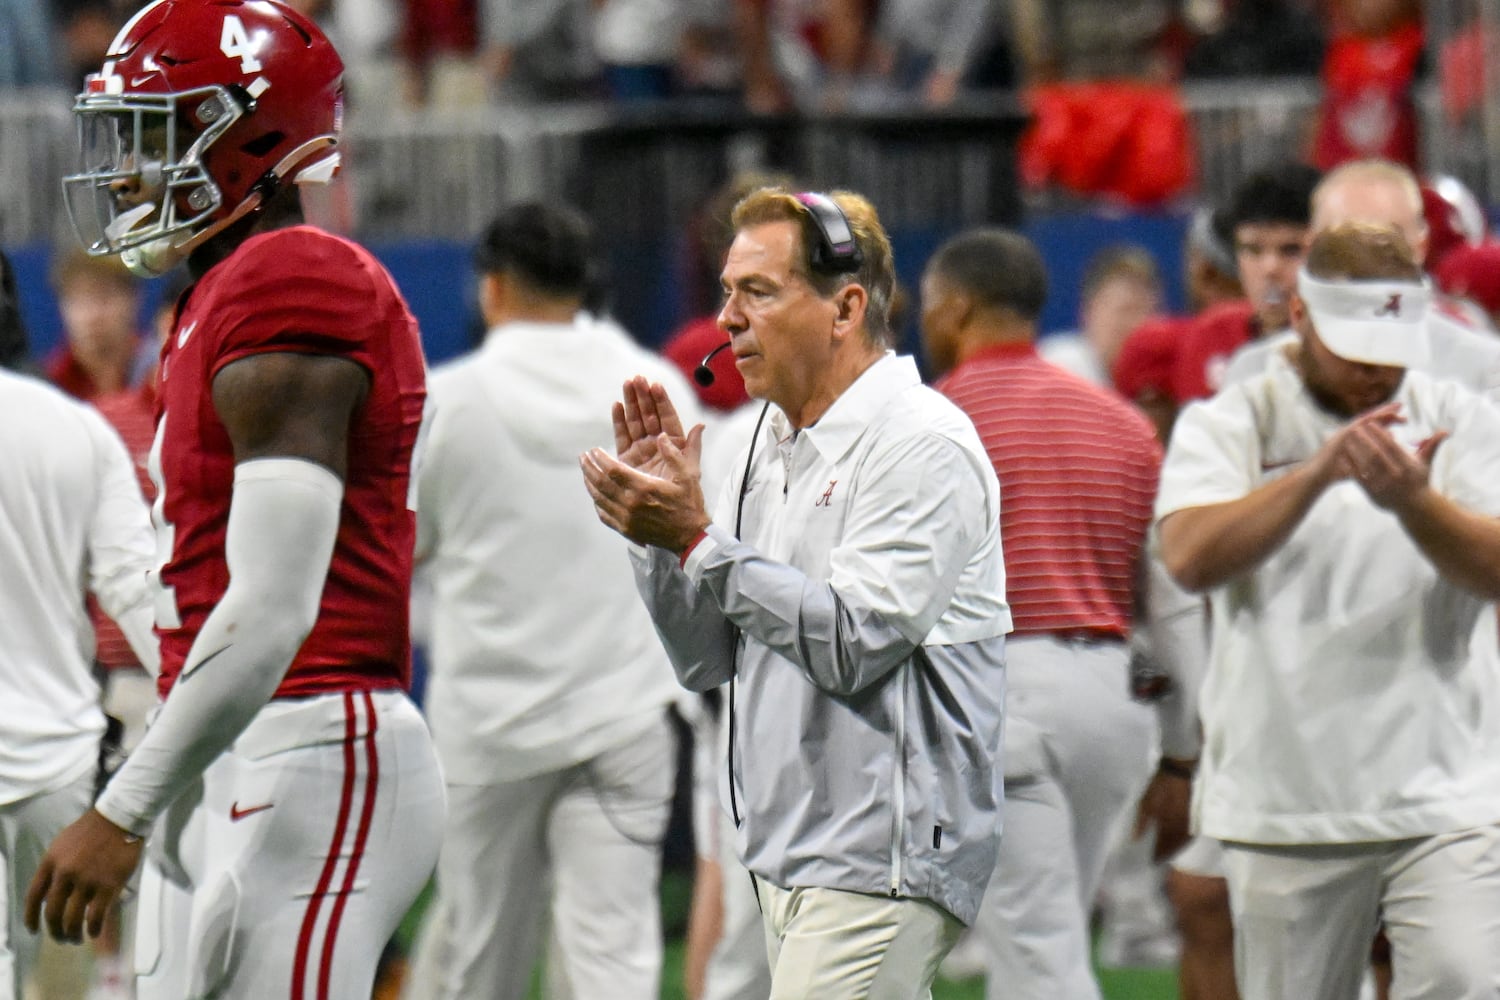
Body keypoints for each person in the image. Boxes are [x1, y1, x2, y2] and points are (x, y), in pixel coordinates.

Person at [24, 4, 445, 999]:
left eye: (155, 134)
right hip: (239, 741)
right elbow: (198, 584)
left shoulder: (291, 276)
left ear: (247, 135)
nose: (127, 170)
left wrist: (121, 805)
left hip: (315, 738)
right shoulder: (214, 298)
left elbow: (269, 608)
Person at [580, 187, 1010, 999]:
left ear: (846, 307)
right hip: (792, 853)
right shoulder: (766, 445)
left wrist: (698, 540)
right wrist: (660, 544)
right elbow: (706, 661)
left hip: (883, 854)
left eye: (759, 292)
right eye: (726, 292)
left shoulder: (920, 443)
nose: (727, 319)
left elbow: (856, 644)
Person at [1158, 221, 1500, 1000]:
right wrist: (1315, 476)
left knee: (1464, 979)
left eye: (1390, 347)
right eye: (1355, 346)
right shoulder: (1232, 420)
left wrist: (1414, 504)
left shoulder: (1463, 417)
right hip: (1288, 799)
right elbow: (1188, 556)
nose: (1375, 370)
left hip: (1447, 784)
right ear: (1302, 316)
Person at [402, 202, 692, 1000]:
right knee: (614, 962)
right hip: (627, 715)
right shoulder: (658, 388)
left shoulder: (446, 403)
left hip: (488, 732)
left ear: (491, 288)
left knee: (478, 959)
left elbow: (404, 547)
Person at [919, 227, 1161, 999]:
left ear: (954, 309)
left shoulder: (927, 422)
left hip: (998, 692)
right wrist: (1184, 745)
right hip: (1112, 697)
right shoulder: (1123, 422)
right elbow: (1164, 592)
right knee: (1043, 935)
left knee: (1037, 947)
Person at [0, 324, 156, 1000]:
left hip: (66, 754)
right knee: (60, 985)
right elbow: (134, 586)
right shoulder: (82, 429)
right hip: (62, 765)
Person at [1224, 159, 1500, 399]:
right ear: (1312, 248)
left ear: (1421, 246)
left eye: (1386, 238)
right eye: (1346, 239)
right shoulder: (1256, 372)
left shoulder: (1482, 369)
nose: (1364, 257)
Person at [1040, 244, 1162, 386]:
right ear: (1088, 312)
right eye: (1126, 310)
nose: (1138, 324)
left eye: (1150, 312)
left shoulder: (1155, 382)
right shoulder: (1059, 365)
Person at [45, 251, 154, 403]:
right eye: (79, 301)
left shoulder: (159, 371)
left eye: (104, 298)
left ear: (134, 299)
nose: (92, 316)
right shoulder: (49, 386)